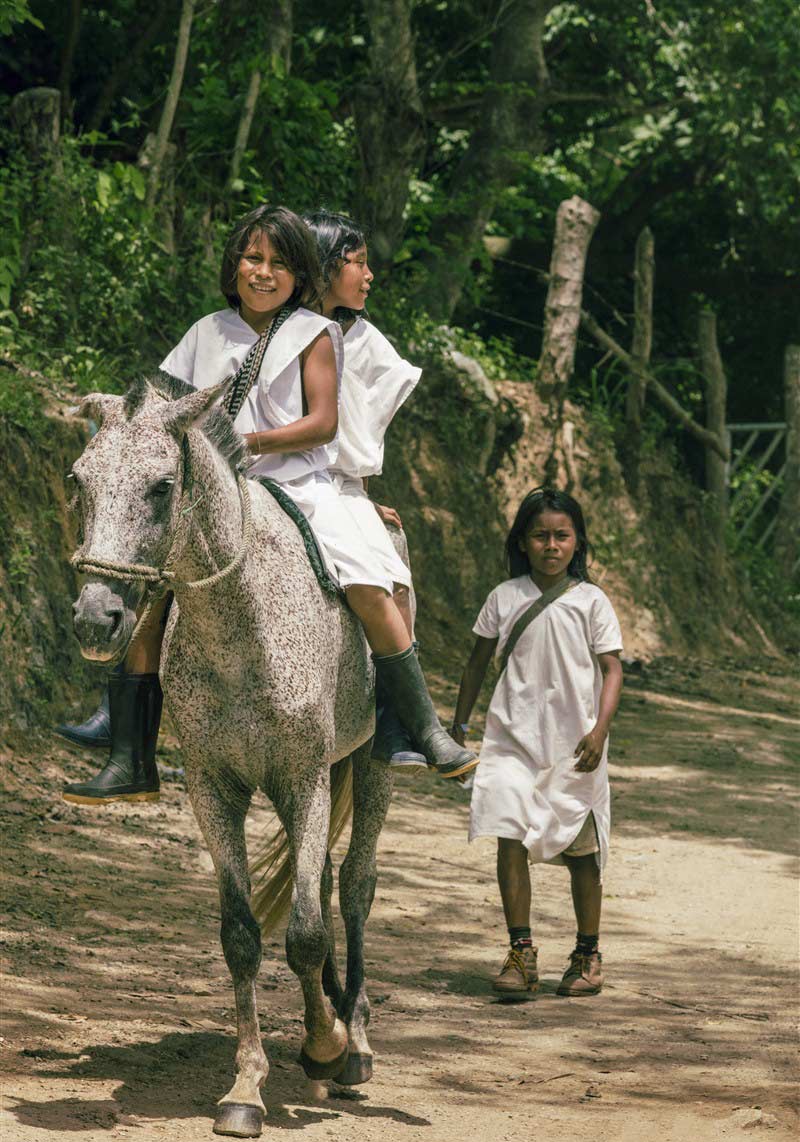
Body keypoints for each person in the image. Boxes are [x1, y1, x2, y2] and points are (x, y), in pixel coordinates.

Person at [62, 204, 476, 804]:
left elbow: (323, 424)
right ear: (233, 265)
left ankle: (419, 724)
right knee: (151, 587)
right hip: (217, 489)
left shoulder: (312, 333)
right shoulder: (204, 332)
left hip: (300, 484)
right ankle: (131, 747)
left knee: (365, 577)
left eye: (279, 263)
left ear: (299, 273)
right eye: (252, 259)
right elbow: (158, 407)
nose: (263, 272)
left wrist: (244, 443)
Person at [450, 487, 623, 997]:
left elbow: (612, 670)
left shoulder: (592, 601)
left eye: (561, 536)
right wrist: (458, 729)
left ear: (577, 543)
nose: (551, 545)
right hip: (511, 737)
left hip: (577, 744)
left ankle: (587, 955)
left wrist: (599, 731)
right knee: (509, 835)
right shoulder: (504, 598)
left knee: (583, 853)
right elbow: (477, 663)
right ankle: (521, 953)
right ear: (523, 543)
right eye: (541, 535)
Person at [302, 207, 426, 771]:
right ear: (325, 267)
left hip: (336, 486)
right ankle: (132, 712)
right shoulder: (272, 327)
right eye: (359, 263)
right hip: (260, 475)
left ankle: (397, 716)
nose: (369, 275)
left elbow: (361, 429)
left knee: (390, 573)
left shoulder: (366, 342)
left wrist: (360, 492)